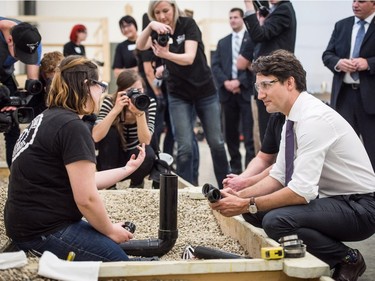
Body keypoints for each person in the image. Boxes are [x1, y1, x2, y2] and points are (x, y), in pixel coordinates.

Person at [210, 50, 375, 281]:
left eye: (266, 85)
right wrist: (235, 196)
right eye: (258, 87)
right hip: (336, 200)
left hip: (362, 207)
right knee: (255, 214)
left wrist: (246, 203)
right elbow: (277, 176)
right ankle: (308, 250)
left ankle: (347, 259)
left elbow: (301, 191)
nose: (260, 95)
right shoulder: (292, 118)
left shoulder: (313, 119)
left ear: (290, 83)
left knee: (274, 220)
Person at [4, 56, 146, 261]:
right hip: (43, 231)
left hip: (27, 224)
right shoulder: (73, 127)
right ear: (87, 86)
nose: (102, 92)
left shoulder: (48, 117)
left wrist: (127, 169)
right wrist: (110, 231)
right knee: (119, 262)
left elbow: (83, 181)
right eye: (101, 86)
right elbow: (86, 199)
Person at [136, 0, 230, 188]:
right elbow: (140, 45)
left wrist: (165, 55)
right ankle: (186, 190)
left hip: (204, 91)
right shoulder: (157, 29)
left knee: (216, 142)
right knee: (184, 147)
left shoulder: (188, 24)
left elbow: (189, 58)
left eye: (165, 10)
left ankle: (227, 186)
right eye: (157, 13)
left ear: (173, 8)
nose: (162, 16)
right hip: (178, 94)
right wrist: (150, 26)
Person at [322, 0, 375, 171]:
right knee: (343, 150)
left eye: (361, 1)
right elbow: (327, 55)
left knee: (371, 149)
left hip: (370, 99)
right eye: (353, 0)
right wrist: (338, 63)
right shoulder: (342, 25)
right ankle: (348, 194)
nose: (355, 5)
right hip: (344, 97)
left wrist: (368, 63)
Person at [242, 0, 297, 142]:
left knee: (272, 135)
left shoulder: (284, 9)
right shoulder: (276, 10)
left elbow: (258, 35)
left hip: (274, 79)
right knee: (267, 133)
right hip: (267, 79)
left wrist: (248, 5)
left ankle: (275, 163)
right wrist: (261, 21)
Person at [93, 69, 157, 189]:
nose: (135, 95)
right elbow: (96, 136)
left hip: (134, 156)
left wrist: (140, 114)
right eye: (130, 91)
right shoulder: (110, 101)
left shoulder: (148, 103)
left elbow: (146, 141)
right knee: (110, 132)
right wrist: (115, 110)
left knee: (147, 152)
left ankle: (136, 183)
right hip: (111, 158)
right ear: (120, 91)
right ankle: (110, 185)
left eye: (139, 90)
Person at [211, 7, 255, 175]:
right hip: (227, 95)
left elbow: (254, 65)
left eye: (236, 17)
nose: (232, 20)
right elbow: (215, 66)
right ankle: (235, 166)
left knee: (249, 134)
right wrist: (227, 83)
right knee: (230, 134)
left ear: (243, 19)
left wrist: (240, 82)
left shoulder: (251, 39)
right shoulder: (222, 42)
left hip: (245, 93)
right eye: (230, 18)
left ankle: (250, 169)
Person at [0, 18, 42, 168]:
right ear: (10, 40)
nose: (22, 60)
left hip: (5, 74)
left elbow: (33, 82)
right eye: (20, 55)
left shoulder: (31, 38)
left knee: (10, 123)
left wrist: (18, 101)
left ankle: (16, 174)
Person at [223, 112, 285, 191]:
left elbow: (283, 167)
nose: (259, 98)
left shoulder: (302, 120)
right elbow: (263, 158)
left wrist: (245, 183)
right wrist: (239, 179)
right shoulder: (277, 117)